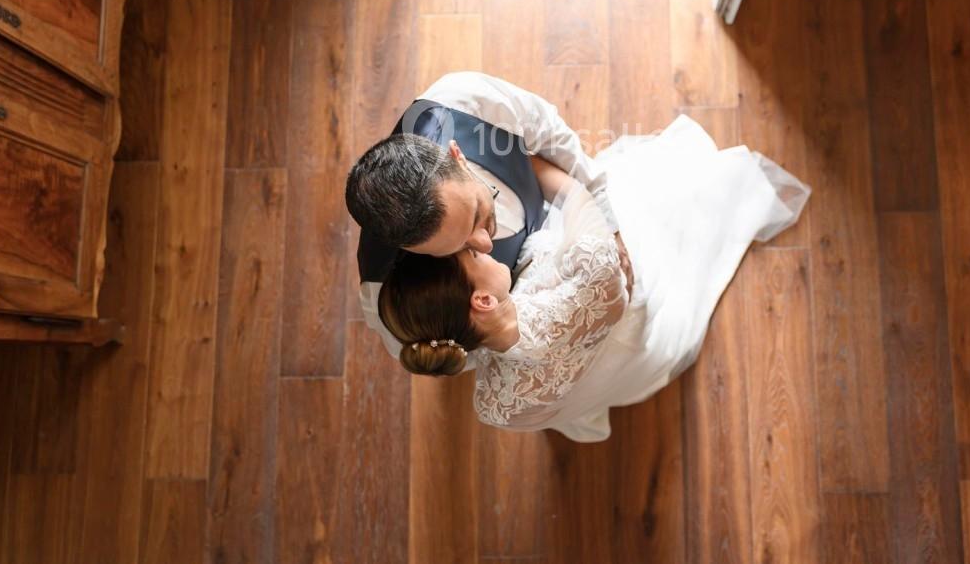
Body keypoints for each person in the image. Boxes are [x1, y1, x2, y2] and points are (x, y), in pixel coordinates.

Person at [376, 114, 811, 442]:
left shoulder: (491, 406)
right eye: (472, 254)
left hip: (601, 374)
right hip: (624, 306)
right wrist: (518, 163)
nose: (485, 244)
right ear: (483, 301)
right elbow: (575, 192)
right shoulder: (594, 266)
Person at [345, 71, 632, 368]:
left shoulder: (464, 100)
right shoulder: (388, 294)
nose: (485, 244)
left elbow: (550, 133)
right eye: (460, 247)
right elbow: (458, 348)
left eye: (476, 216)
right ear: (407, 249)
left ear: (457, 156)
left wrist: (607, 222)